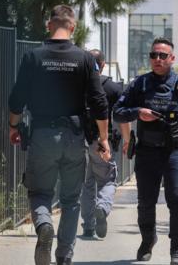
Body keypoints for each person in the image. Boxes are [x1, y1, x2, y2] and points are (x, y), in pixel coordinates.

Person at [8, 5, 110, 265]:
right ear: (73, 27)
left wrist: (13, 125)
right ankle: (64, 255)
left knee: (40, 192)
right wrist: (103, 139)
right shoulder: (85, 59)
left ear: (48, 25)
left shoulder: (33, 56)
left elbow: (17, 98)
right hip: (74, 136)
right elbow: (99, 102)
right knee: (71, 199)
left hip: (42, 134)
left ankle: (43, 225)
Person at [113, 37, 178, 265]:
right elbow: (117, 112)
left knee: (176, 199)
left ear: (172, 58)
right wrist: (138, 112)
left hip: (175, 152)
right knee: (146, 202)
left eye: (162, 56)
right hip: (146, 152)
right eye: (153, 55)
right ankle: (147, 239)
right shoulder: (140, 84)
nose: (157, 59)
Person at [80, 49, 131, 238]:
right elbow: (123, 117)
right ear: (103, 65)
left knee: (86, 184)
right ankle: (102, 207)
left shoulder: (77, 86)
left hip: (79, 141)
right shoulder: (113, 88)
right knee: (108, 179)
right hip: (103, 142)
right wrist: (127, 139)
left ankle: (88, 225)